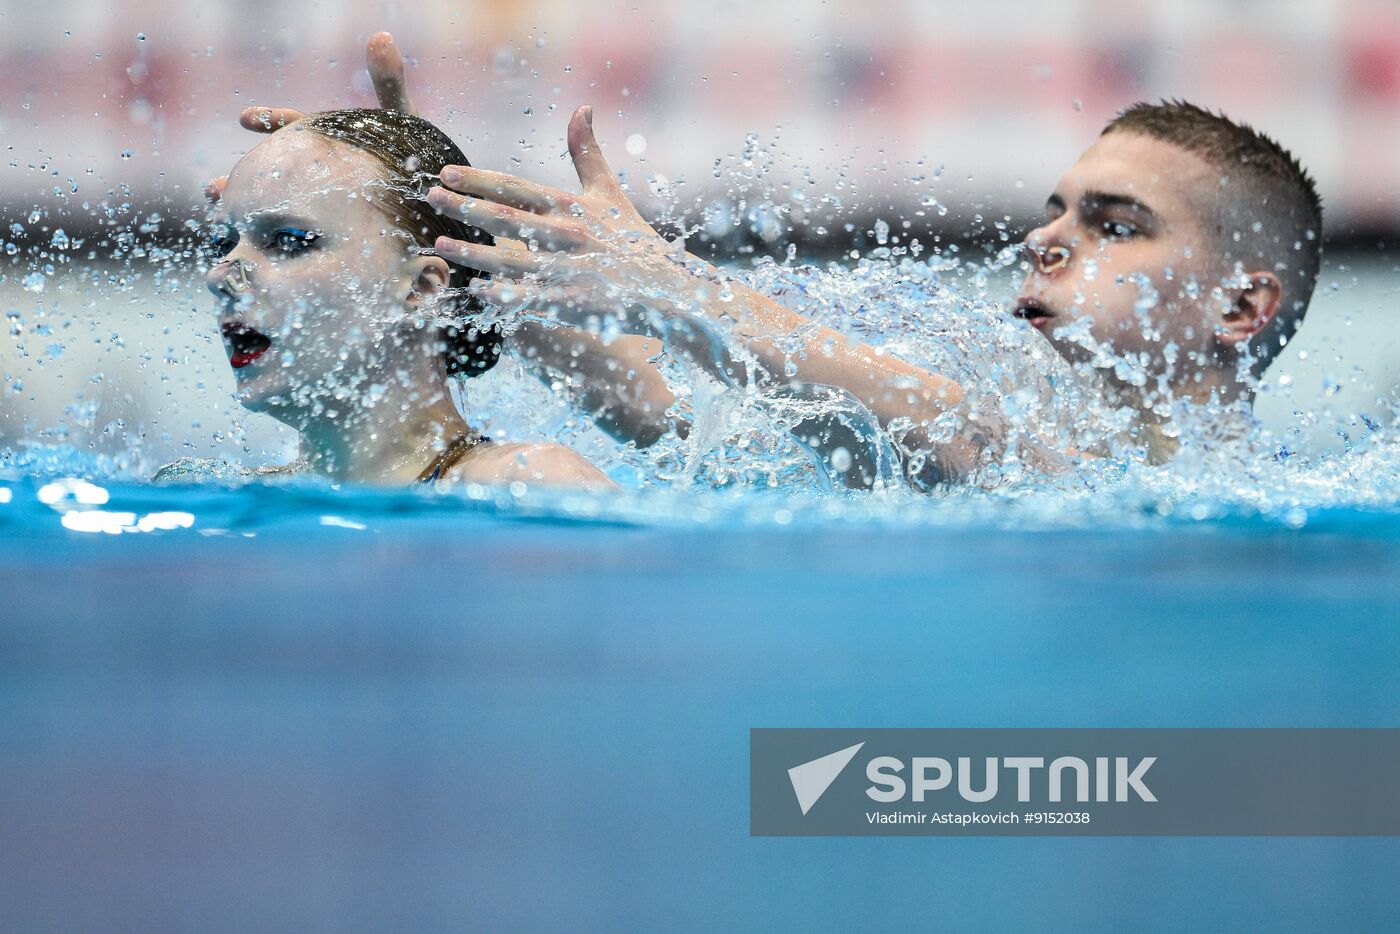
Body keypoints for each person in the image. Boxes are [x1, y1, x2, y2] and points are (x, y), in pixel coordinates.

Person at [236, 34, 1323, 487]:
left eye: (1114, 223)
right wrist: (446, 227)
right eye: (1056, 210)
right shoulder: (997, 425)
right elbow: (668, 415)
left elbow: (959, 435)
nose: (1045, 237)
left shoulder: (1241, 512)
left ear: (1240, 306)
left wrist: (670, 286)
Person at [205, 106, 614, 489]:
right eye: (223, 245)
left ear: (422, 287)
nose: (220, 276)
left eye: (288, 241)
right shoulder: (221, 496)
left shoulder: (525, 483)